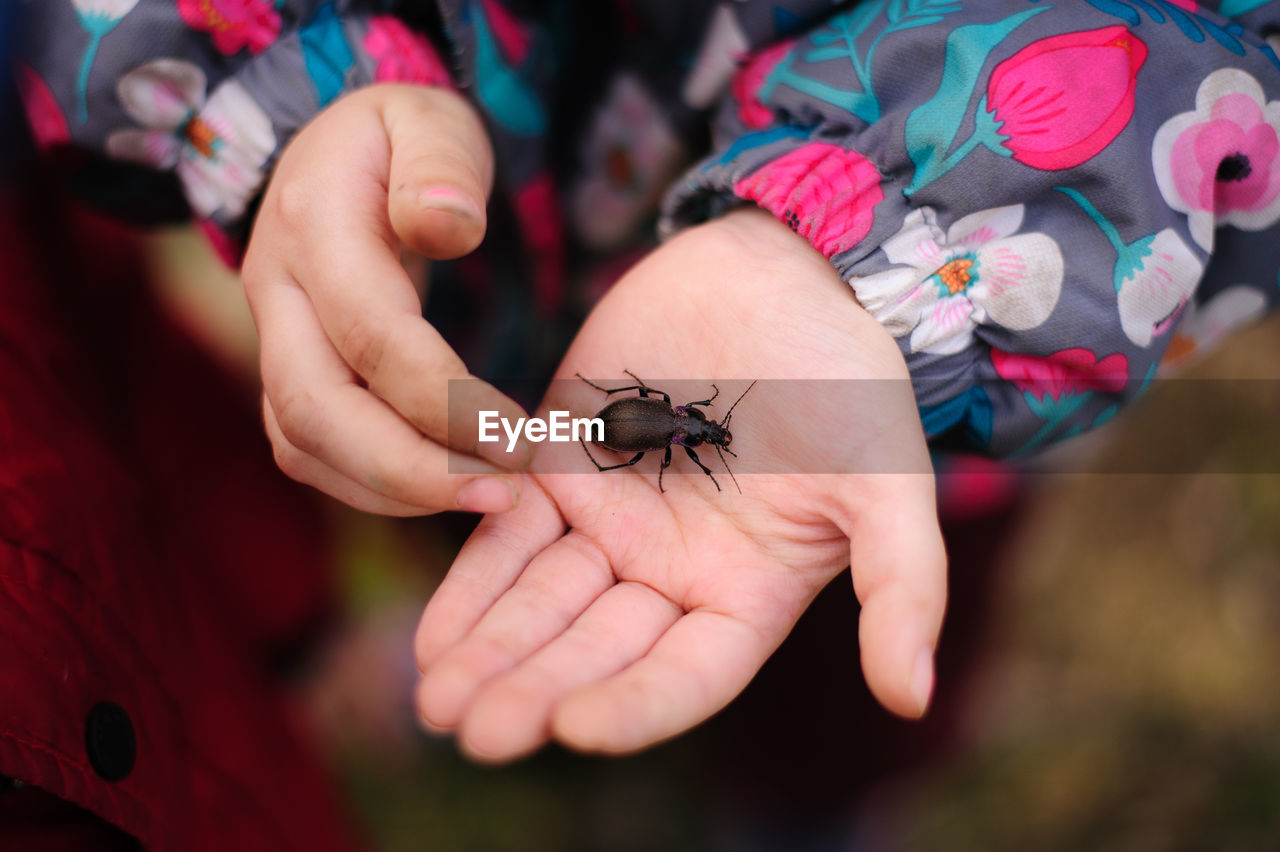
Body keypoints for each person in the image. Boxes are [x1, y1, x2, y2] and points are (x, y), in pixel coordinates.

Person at [13, 0, 1280, 779]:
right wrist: (298, 97)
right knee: (480, 494)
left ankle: (820, 798)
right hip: (484, 314)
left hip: (931, 377)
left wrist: (878, 265)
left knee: (838, 678)